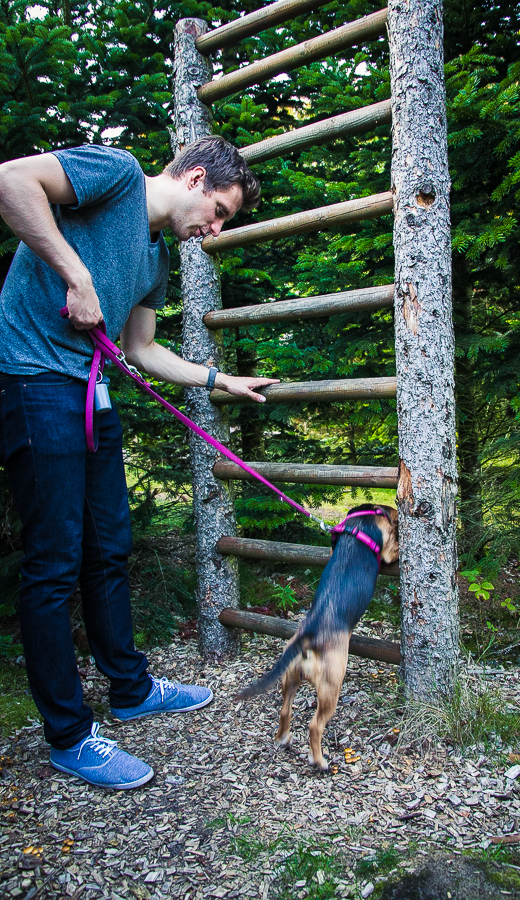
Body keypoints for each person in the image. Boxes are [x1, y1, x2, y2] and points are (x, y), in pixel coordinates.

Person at [0, 137, 277, 790]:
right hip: (34, 381)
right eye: (219, 212)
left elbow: (143, 349)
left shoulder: (157, 258)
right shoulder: (118, 174)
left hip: (88, 390)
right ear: (196, 178)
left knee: (108, 547)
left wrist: (219, 380)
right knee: (54, 561)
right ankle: (69, 736)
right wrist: (77, 275)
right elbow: (10, 180)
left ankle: (129, 689)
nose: (214, 229)